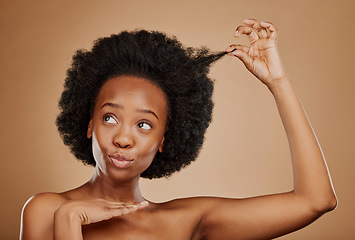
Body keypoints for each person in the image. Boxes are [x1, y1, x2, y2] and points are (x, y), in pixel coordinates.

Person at [20, 19, 337, 240]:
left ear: (163, 141)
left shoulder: (187, 222)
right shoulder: (47, 210)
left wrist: (278, 83)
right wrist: (69, 220)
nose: (123, 138)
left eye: (144, 124)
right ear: (89, 124)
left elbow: (316, 200)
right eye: (109, 118)